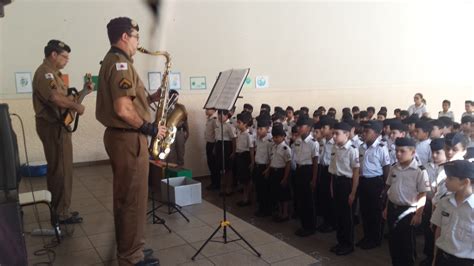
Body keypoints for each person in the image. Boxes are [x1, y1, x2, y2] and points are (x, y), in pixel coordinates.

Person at [95, 17, 166, 266]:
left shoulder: (117, 62)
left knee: (131, 197)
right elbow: (124, 109)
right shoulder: (120, 65)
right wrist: (150, 127)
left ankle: (132, 247)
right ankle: (130, 256)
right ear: (125, 37)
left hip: (125, 138)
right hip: (127, 139)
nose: (138, 42)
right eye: (136, 36)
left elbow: (132, 101)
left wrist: (154, 97)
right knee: (132, 199)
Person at [33, 39, 92, 224]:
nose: (67, 60)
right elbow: (55, 98)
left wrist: (83, 92)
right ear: (53, 55)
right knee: (59, 170)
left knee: (63, 168)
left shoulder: (55, 74)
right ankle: (59, 214)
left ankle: (62, 209)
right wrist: (76, 105)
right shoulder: (45, 73)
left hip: (60, 126)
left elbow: (66, 100)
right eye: (65, 57)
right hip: (52, 127)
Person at [383, 137, 430, 266]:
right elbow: (390, 189)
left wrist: (418, 214)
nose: (398, 154)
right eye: (397, 151)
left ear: (413, 152)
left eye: (402, 151)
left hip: (408, 211)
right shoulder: (394, 167)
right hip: (393, 208)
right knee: (393, 241)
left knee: (407, 244)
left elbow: (422, 194)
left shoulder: (420, 171)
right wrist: (387, 208)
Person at [431, 160, 474, 266]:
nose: (446, 181)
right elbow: (439, 229)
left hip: (465, 261)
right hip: (442, 256)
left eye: (450, 178)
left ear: (465, 182)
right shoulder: (444, 202)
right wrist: (435, 256)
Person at [328, 122, 360, 256]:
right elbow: (333, 169)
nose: (334, 136)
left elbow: (356, 172)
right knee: (338, 215)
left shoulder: (352, 149)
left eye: (337, 134)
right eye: (333, 133)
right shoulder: (335, 148)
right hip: (336, 182)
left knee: (347, 217)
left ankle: (348, 244)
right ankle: (340, 242)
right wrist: (331, 185)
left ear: (346, 134)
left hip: (346, 184)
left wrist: (353, 192)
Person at [358, 120, 390, 250]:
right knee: (364, 211)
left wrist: (385, 189)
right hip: (363, 181)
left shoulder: (381, 147)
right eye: (363, 131)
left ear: (377, 134)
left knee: (375, 213)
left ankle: (375, 239)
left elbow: (386, 168)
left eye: (367, 132)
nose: (364, 134)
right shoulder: (361, 147)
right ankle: (366, 236)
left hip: (375, 182)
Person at [418, 138, 446, 266]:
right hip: (428, 204)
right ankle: (429, 256)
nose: (434, 155)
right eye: (432, 152)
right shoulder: (426, 167)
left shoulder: (449, 169)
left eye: (438, 152)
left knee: (440, 234)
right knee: (428, 232)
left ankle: (437, 258)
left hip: (442, 207)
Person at [293, 115, 319, 237]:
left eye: (301, 126)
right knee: (301, 200)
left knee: (308, 201)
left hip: (308, 172)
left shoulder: (313, 143)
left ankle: (310, 227)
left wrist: (313, 179)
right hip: (299, 170)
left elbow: (315, 163)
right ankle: (304, 225)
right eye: (297, 126)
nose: (298, 128)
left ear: (308, 128)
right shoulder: (297, 141)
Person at [265, 123, 292, 222]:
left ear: (283, 137)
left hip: (282, 172)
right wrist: (268, 170)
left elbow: (288, 164)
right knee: (277, 194)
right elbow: (272, 160)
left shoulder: (286, 149)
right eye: (274, 137)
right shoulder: (274, 147)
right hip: (274, 172)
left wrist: (285, 178)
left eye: (277, 137)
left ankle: (285, 214)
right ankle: (280, 213)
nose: (275, 139)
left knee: (284, 195)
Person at [317, 116, 336, 233]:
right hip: (323, 170)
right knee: (324, 197)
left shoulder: (335, 143)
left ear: (332, 129)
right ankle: (326, 221)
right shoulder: (323, 141)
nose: (322, 130)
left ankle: (331, 223)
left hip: (331, 172)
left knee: (330, 198)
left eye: (324, 127)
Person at [253, 114, 273, 217]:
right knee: (259, 189)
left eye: (261, 129)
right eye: (258, 128)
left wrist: (268, 170)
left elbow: (271, 157)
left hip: (265, 168)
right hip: (258, 166)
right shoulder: (258, 139)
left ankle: (266, 210)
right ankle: (261, 208)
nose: (258, 131)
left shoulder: (270, 141)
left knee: (265, 190)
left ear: (267, 129)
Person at [234, 111, 255, 206]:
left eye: (239, 122)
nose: (237, 124)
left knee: (247, 179)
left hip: (245, 156)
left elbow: (251, 149)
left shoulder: (248, 134)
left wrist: (252, 161)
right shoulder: (239, 133)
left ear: (245, 124)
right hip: (239, 156)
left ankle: (247, 198)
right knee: (242, 178)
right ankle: (244, 197)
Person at [166, 89, 188, 167]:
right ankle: (173, 176)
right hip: (169, 133)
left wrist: (187, 132)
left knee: (181, 154)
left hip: (180, 132)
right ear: (169, 97)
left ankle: (180, 174)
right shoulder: (165, 107)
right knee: (171, 156)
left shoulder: (181, 107)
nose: (176, 99)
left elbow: (185, 119)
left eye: (177, 97)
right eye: (174, 97)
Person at [204, 107, 219, 190]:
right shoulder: (209, 119)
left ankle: (216, 184)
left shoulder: (214, 119)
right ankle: (213, 182)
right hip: (209, 143)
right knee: (210, 164)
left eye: (208, 109)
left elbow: (216, 134)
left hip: (213, 144)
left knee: (214, 165)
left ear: (213, 110)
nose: (206, 111)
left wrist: (215, 147)